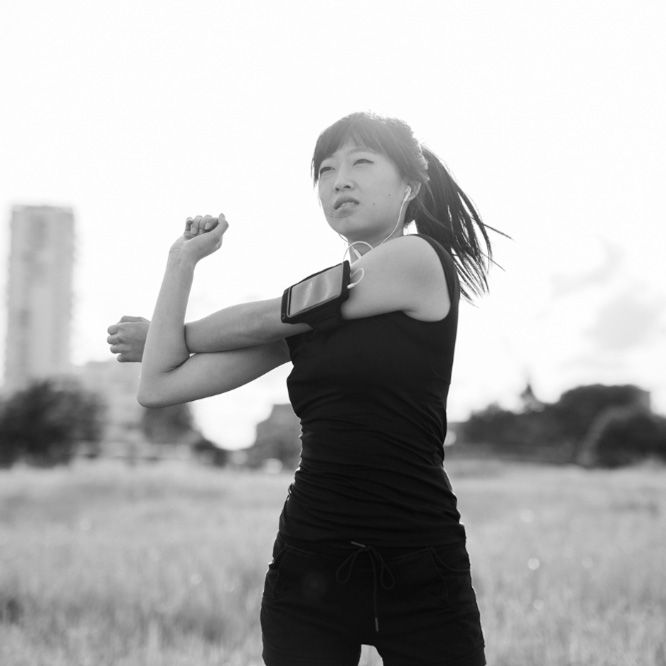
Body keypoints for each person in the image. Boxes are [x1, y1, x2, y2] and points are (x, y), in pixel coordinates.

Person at [107, 111, 505, 665]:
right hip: (310, 560)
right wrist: (182, 261)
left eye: (361, 162)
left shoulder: (418, 260)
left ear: (410, 187)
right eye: (325, 170)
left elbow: (269, 316)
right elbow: (159, 384)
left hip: (419, 562)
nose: (339, 179)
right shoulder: (308, 319)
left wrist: (164, 334)